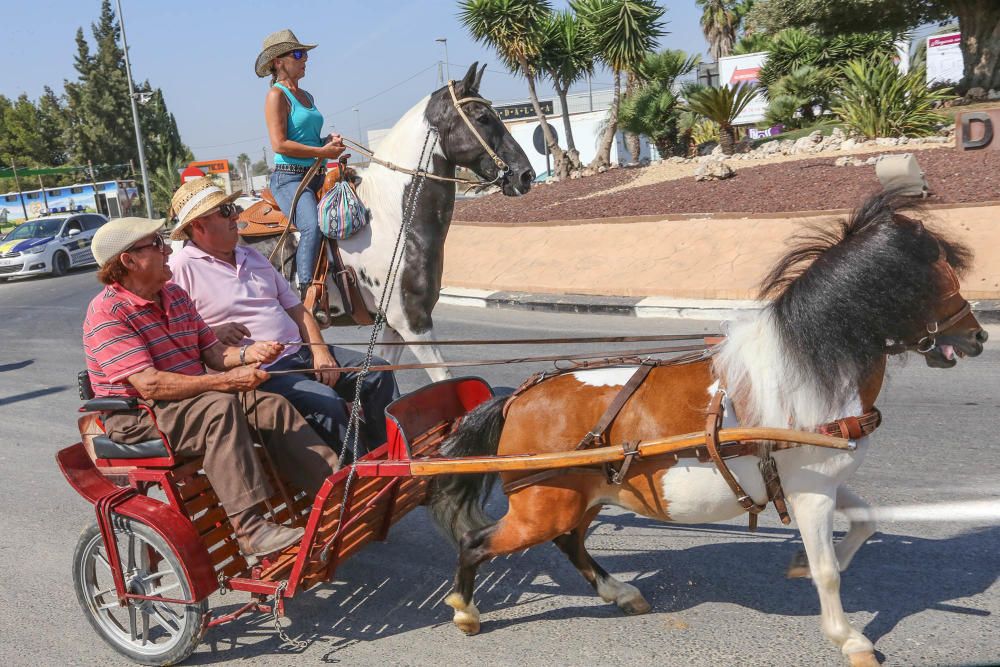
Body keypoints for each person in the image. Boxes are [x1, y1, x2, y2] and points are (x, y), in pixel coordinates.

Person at [83, 216, 341, 558]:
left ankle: (335, 492)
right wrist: (226, 381)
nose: (167, 250)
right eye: (157, 244)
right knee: (220, 408)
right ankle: (250, 530)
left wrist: (250, 355)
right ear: (128, 261)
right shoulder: (108, 313)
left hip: (190, 401)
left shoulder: (173, 294)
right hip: (137, 417)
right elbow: (149, 384)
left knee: (271, 405)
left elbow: (215, 353)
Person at [168, 178, 398, 457]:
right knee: (327, 401)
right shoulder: (179, 270)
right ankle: (358, 476)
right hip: (263, 374)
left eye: (232, 207)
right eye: (225, 211)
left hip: (300, 353)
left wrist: (320, 351)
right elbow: (175, 339)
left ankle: (391, 455)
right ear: (199, 226)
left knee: (377, 371)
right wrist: (214, 332)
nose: (236, 215)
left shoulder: (250, 255)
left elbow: (297, 309)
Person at [256, 28, 345, 295]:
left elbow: (307, 139)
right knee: (312, 225)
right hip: (290, 179)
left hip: (316, 173)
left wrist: (325, 141)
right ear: (278, 62)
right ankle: (307, 291)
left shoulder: (307, 96)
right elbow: (279, 144)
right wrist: (322, 152)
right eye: (298, 53)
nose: (305, 58)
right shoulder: (276, 95)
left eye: (304, 53)